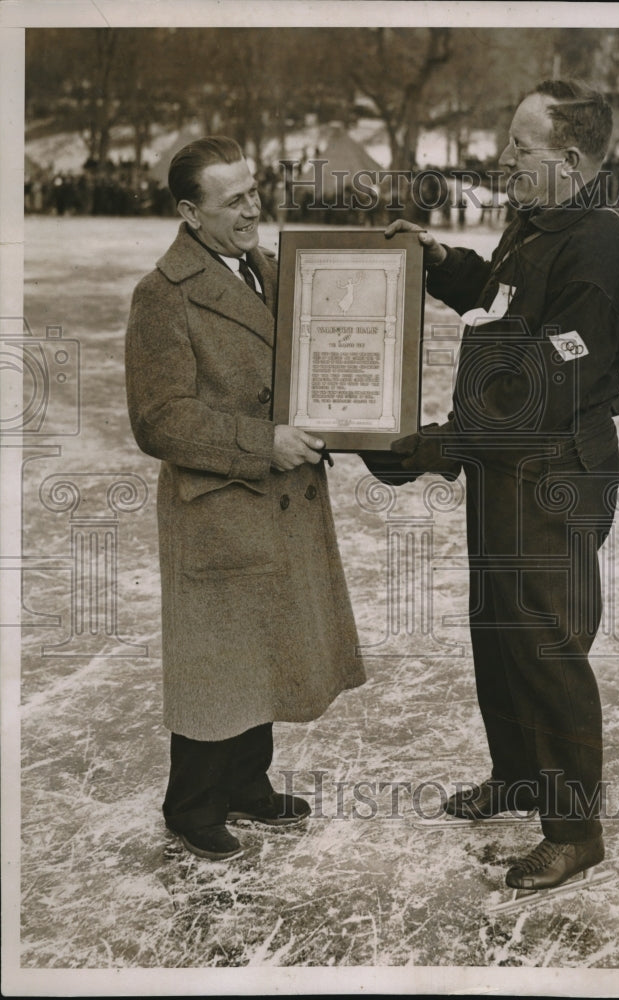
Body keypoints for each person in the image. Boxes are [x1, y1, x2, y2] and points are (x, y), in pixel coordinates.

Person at [379, 80, 619, 890]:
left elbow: (546, 385)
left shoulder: (597, 250)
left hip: (556, 469)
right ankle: (519, 774)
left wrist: (439, 443)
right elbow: (496, 300)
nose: (505, 158)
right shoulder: (533, 226)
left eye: (521, 147)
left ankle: (574, 830)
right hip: (506, 466)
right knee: (498, 630)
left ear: (568, 161)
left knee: (544, 644)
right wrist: (439, 263)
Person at [126, 136, 365, 861]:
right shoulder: (162, 295)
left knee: (260, 646)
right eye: (233, 201)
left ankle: (245, 784)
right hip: (221, 503)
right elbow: (159, 419)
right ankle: (192, 805)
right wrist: (263, 444)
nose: (251, 208)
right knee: (215, 661)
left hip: (273, 499)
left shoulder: (266, 267)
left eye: (254, 191)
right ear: (190, 213)